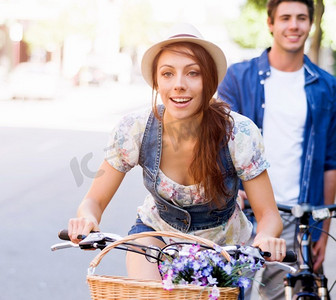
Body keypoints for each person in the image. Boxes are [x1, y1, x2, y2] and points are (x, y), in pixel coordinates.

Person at [68, 23, 286, 282]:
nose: (179, 85)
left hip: (222, 251)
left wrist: (265, 237)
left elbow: (268, 214)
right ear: (156, 80)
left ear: (209, 80)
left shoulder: (238, 133)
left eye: (192, 73)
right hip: (155, 237)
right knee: (145, 288)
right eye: (168, 74)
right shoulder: (134, 129)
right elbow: (94, 201)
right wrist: (87, 219)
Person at [218, 1, 336, 299]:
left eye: (301, 18)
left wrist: (322, 226)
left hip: (296, 217)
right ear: (271, 23)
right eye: (285, 18)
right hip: (241, 213)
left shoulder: (327, 87)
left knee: (287, 295)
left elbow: (330, 162)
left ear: (311, 24)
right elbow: (216, 144)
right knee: (230, 293)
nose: (293, 25)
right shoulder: (238, 77)